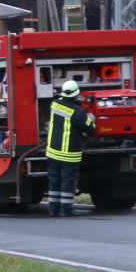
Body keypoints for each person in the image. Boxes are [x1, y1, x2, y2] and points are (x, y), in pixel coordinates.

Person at [46, 79, 95, 217]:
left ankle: (52, 209)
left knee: (54, 181)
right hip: (69, 154)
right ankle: (66, 210)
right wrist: (91, 118)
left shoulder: (54, 104)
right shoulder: (77, 111)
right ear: (76, 95)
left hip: (52, 152)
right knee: (67, 182)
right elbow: (89, 128)